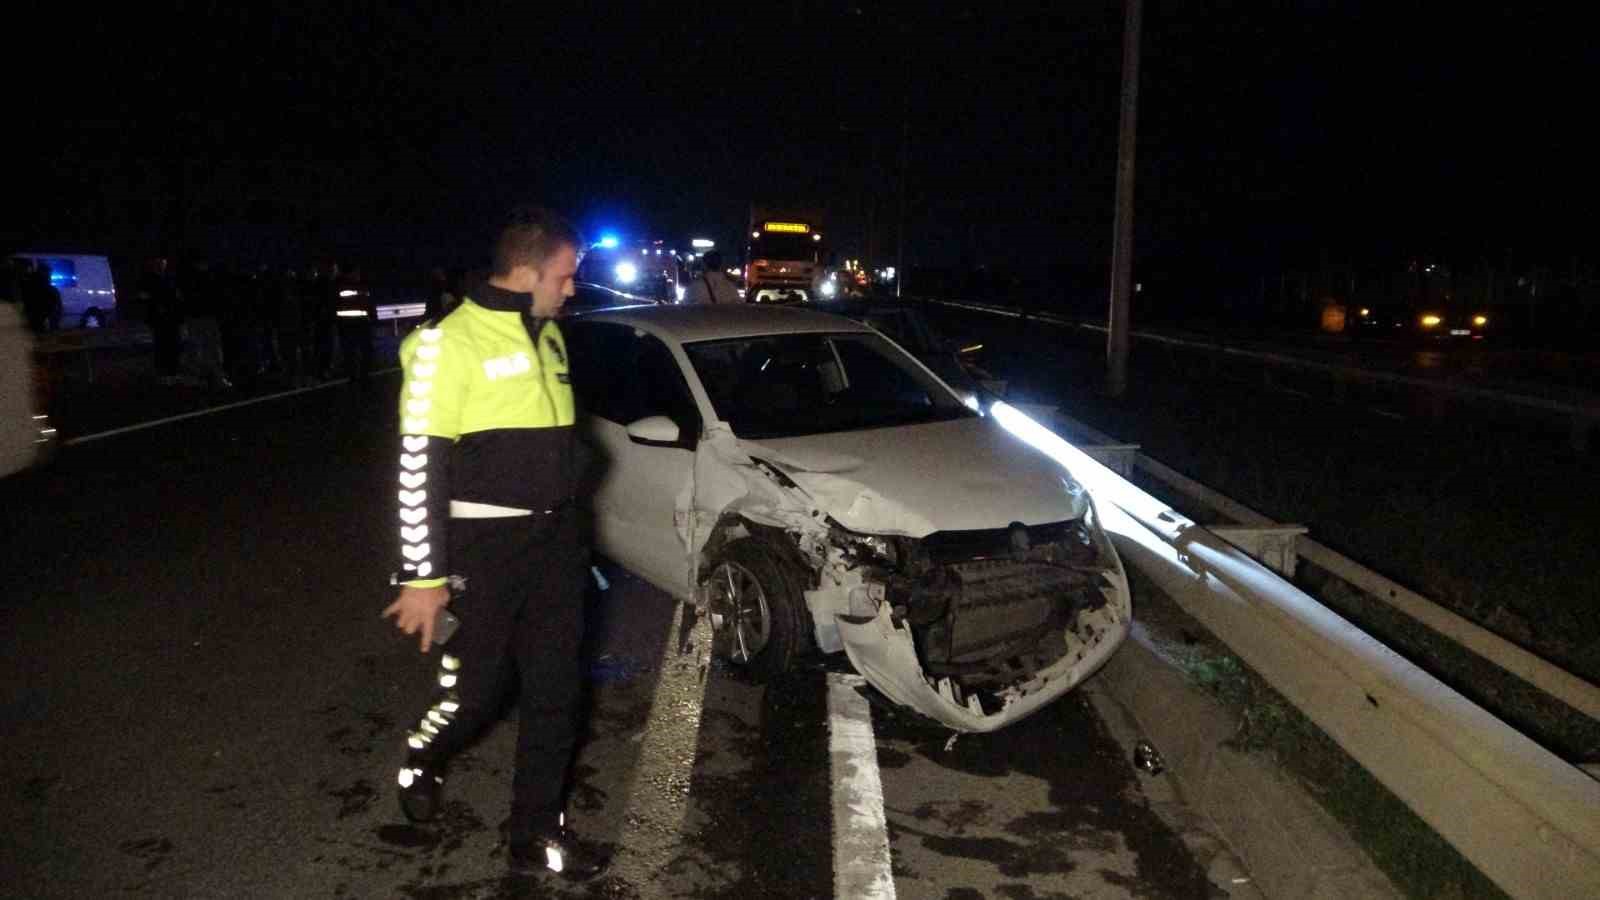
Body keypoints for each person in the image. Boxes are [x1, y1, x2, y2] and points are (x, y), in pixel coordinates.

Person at [380, 205, 606, 882]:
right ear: (528, 271)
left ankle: (534, 836)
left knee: (557, 693)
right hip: (484, 547)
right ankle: (422, 754)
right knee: (475, 693)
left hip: (558, 543)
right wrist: (421, 577)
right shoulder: (446, 344)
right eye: (565, 277)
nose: (572, 290)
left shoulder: (551, 337)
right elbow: (418, 466)